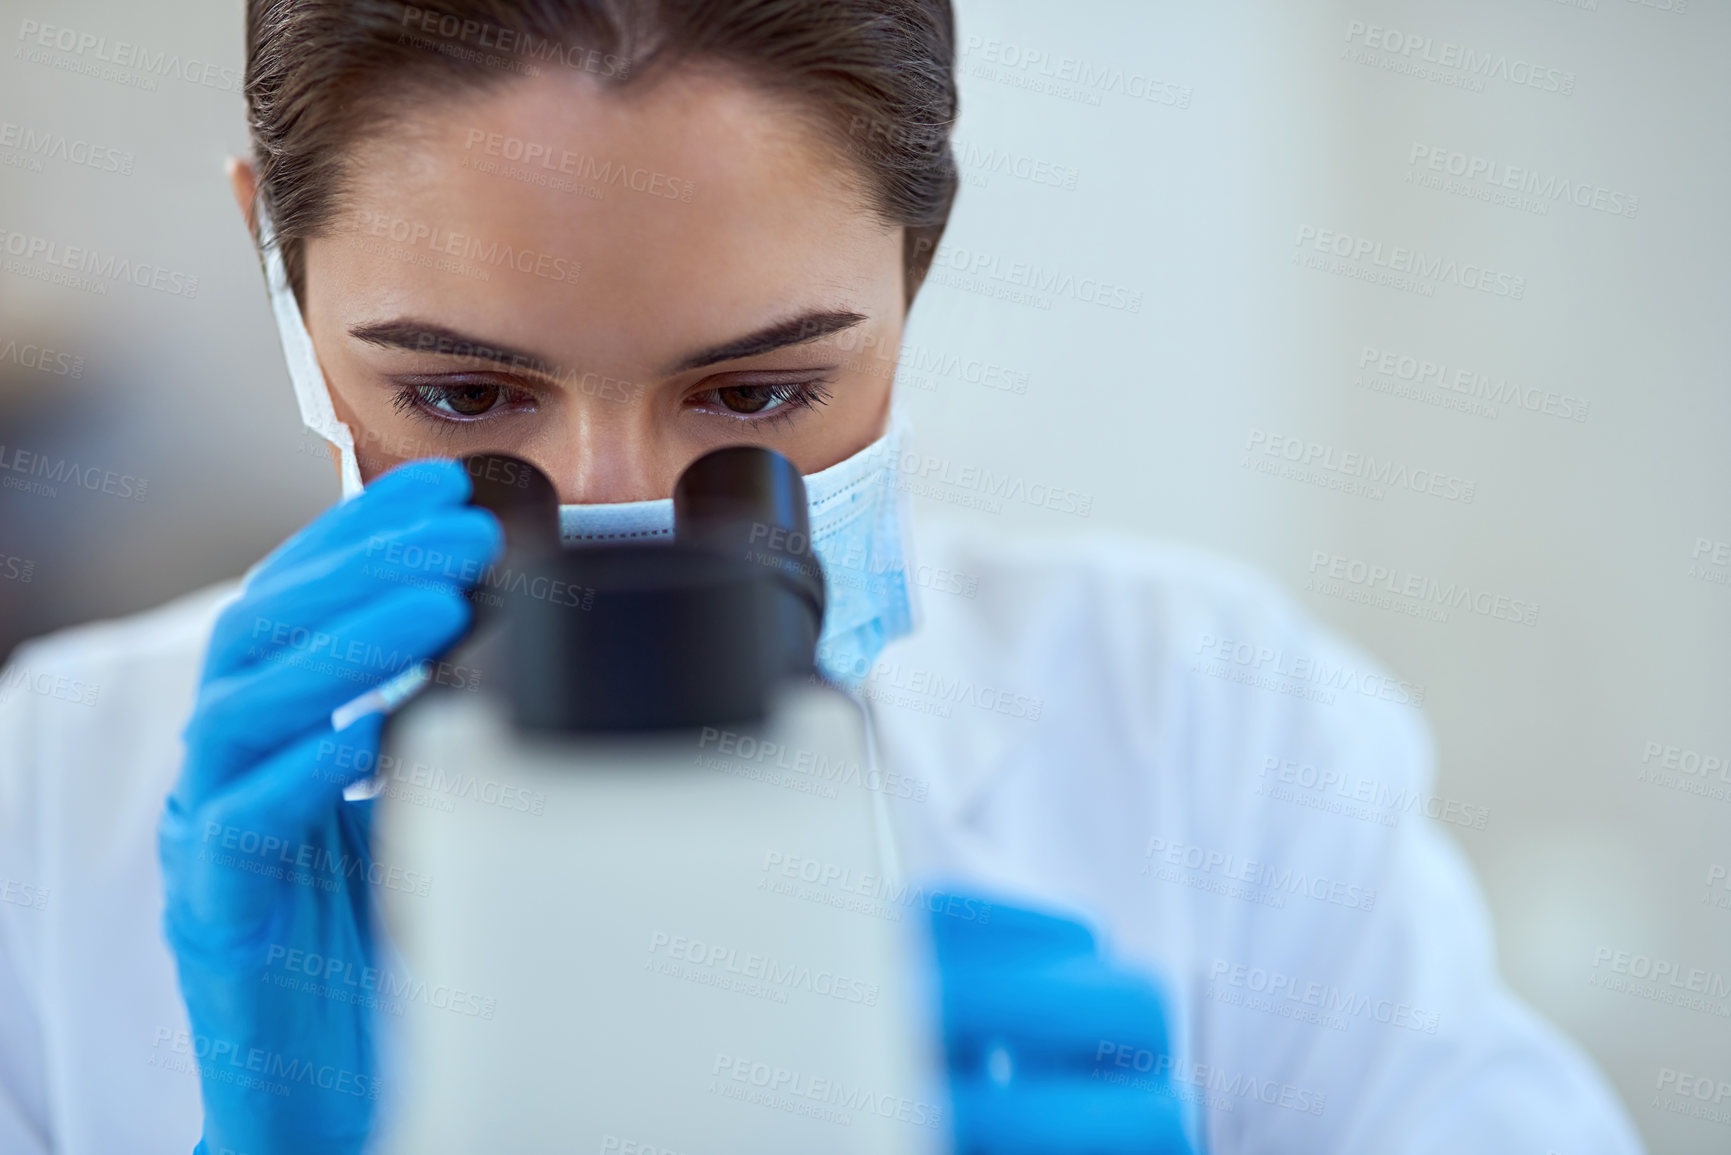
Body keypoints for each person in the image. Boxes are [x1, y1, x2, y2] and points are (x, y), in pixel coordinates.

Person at [0, 1, 1644, 1152]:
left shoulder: (1209, 725)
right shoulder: (43, 790)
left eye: (761, 396)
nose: (616, 514)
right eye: (462, 400)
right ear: (277, 274)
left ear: (914, 274)